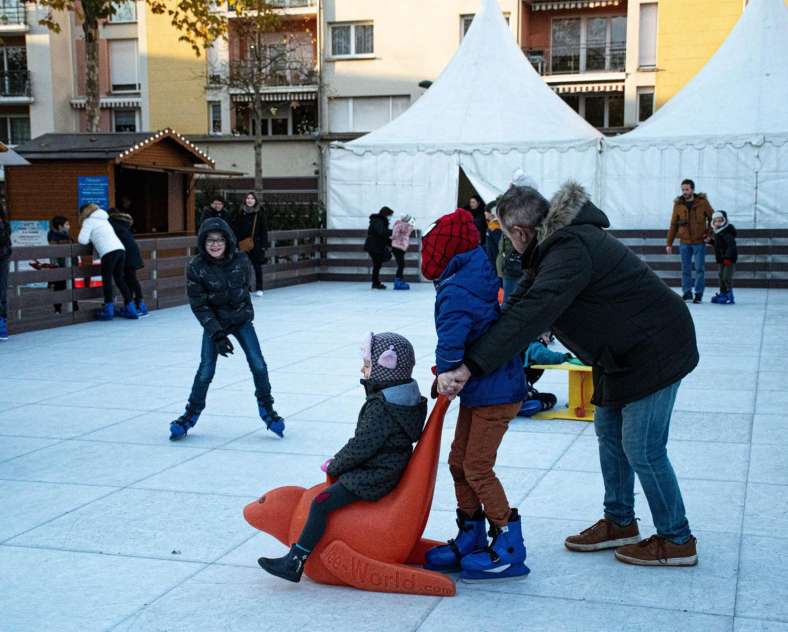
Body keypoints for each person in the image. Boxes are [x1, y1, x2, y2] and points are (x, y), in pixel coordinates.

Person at [438, 181, 700, 567]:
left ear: (520, 232)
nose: (507, 245)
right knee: (609, 434)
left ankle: (677, 538)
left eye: (506, 236)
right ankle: (620, 521)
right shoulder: (550, 250)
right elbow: (518, 306)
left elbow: (533, 313)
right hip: (618, 353)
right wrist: (470, 359)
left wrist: (471, 365)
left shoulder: (569, 250)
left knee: (642, 447)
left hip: (656, 347)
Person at [258, 332, 427, 583]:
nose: (363, 368)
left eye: (368, 364)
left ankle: (295, 561)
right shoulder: (405, 400)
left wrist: (336, 464)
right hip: (386, 467)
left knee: (321, 501)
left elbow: (362, 445)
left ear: (385, 368)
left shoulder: (382, 407)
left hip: (376, 474)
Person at [419, 208, 528, 583]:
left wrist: (446, 371)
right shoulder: (473, 270)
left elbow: (452, 337)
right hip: (485, 388)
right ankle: (471, 534)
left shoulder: (456, 289)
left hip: (495, 392)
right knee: (457, 461)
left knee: (476, 466)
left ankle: (509, 543)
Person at [169, 217, 284, 441]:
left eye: (219, 240)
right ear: (203, 242)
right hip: (215, 324)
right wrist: (218, 334)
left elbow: (244, 290)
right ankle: (189, 415)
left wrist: (245, 316)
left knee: (258, 365)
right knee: (205, 371)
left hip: (241, 320)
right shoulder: (196, 267)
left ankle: (267, 409)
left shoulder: (241, 260)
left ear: (228, 241)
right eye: (210, 240)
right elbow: (199, 306)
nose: (215, 244)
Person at [77, 204, 138, 321]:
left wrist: (92, 238)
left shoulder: (88, 221)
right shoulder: (104, 220)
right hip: (120, 250)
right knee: (120, 279)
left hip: (108, 252)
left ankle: (108, 310)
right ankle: (131, 309)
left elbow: (82, 240)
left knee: (107, 281)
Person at [666, 179, 714, 304]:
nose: (684, 192)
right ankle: (687, 293)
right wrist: (669, 243)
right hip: (684, 242)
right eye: (683, 189)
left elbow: (713, 218)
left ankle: (698, 294)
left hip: (699, 242)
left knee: (699, 269)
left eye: (687, 189)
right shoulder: (678, 205)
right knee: (685, 269)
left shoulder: (702, 203)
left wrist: (708, 234)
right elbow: (673, 225)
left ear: (692, 189)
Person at [109, 209, 148, 316]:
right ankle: (138, 303)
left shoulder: (111, 223)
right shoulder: (123, 222)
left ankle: (135, 304)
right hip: (131, 250)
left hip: (125, 252)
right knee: (131, 278)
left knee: (128, 279)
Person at [237, 192, 269, 297]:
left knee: (257, 266)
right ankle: (247, 288)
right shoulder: (241, 212)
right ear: (245, 200)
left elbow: (264, 230)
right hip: (243, 244)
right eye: (248, 198)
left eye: (252, 198)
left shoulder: (259, 212)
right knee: (245, 267)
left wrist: (264, 245)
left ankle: (260, 288)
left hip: (257, 244)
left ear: (255, 200)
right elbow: (236, 228)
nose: (249, 200)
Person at [47, 216, 79, 315]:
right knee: (59, 288)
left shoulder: (66, 236)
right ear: (60, 226)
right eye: (67, 224)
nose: (69, 226)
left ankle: (74, 307)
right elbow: (54, 254)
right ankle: (57, 309)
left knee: (72, 287)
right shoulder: (54, 237)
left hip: (70, 266)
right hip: (60, 267)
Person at [709, 210, 738, 305]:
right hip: (722, 259)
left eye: (720, 220)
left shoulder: (727, 232)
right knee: (721, 276)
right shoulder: (717, 232)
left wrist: (728, 258)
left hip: (728, 260)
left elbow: (731, 246)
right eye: (715, 221)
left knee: (726, 277)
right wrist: (711, 241)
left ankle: (730, 294)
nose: (718, 223)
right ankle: (723, 294)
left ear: (724, 221)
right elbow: (719, 246)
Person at [363, 206, 394, 290]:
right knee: (377, 264)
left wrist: (391, 243)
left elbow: (382, 235)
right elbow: (382, 233)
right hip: (374, 246)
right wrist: (393, 232)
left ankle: (376, 282)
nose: (390, 217)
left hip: (375, 245)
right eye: (389, 215)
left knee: (377, 265)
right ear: (386, 214)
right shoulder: (379, 221)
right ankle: (375, 282)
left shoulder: (379, 220)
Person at [390, 214, 414, 290]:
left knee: (401, 264)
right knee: (401, 264)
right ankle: (398, 281)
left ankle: (399, 280)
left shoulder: (402, 225)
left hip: (399, 247)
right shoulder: (402, 225)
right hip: (398, 247)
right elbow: (396, 235)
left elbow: (396, 235)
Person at [496, 233, 522, 303]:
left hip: (509, 268)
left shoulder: (506, 230)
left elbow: (501, 250)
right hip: (512, 269)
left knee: (508, 298)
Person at [0, 207, 10, 341]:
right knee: (1, 292)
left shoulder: (4, 225)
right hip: (3, 258)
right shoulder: (5, 224)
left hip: (2, 258)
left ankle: (2, 324)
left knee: (1, 292)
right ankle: (2, 324)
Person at [483, 201, 503, 271]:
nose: (484, 213)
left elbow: (499, 244)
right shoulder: (491, 225)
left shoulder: (495, 227)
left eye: (486, 211)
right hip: (492, 259)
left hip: (496, 260)